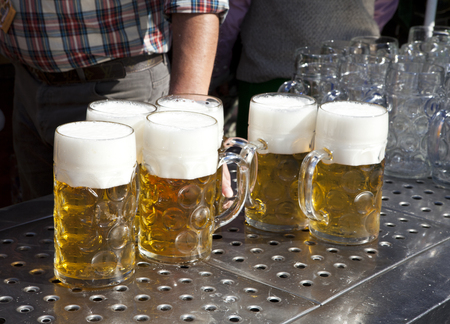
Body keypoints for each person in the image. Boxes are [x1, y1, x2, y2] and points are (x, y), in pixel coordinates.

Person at [0, 0, 228, 201]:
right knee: (50, 227)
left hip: (123, 94)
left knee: (132, 228)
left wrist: (187, 129)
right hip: (27, 83)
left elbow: (199, 4)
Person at [212, 0, 399, 139]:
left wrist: (217, 71)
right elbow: (383, 7)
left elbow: (231, 14)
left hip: (269, 74)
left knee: (265, 169)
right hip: (350, 78)